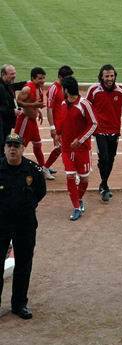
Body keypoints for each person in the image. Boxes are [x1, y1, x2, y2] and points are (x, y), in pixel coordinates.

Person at [0, 133, 46, 319]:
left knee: (24, 264)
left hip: (24, 225)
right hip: (1, 224)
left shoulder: (32, 170)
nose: (12, 148)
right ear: (4, 148)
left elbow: (40, 192)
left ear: (22, 149)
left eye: (16, 145)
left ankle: (19, 304)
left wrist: (26, 207)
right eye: (9, 145)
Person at [86, 64, 122, 202]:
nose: (110, 78)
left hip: (115, 130)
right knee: (104, 159)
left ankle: (103, 184)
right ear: (101, 77)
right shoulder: (93, 90)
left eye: (112, 76)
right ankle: (104, 186)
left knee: (111, 159)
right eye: (107, 76)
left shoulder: (121, 90)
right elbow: (86, 108)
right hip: (99, 130)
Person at [57, 76, 97, 221]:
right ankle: (76, 207)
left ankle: (78, 199)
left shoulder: (84, 104)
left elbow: (93, 124)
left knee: (84, 180)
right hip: (67, 149)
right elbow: (62, 122)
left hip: (82, 149)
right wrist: (57, 134)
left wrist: (80, 140)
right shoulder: (63, 104)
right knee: (70, 176)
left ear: (66, 89)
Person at [42, 65, 74, 180]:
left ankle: (46, 167)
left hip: (66, 124)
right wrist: (52, 128)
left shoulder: (66, 87)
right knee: (61, 148)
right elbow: (49, 109)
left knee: (64, 147)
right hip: (57, 125)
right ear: (60, 77)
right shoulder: (53, 89)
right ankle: (45, 168)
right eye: (67, 78)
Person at [14, 67, 46, 167]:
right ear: (33, 78)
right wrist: (34, 106)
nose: (43, 81)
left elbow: (33, 102)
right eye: (40, 78)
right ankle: (13, 168)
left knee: (38, 145)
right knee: (18, 146)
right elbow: (18, 102)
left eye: (44, 78)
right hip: (25, 121)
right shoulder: (27, 88)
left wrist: (38, 111)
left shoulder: (39, 88)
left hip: (32, 121)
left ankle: (43, 168)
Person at [0, 64, 26, 156]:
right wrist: (12, 111)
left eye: (14, 73)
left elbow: (17, 85)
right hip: (2, 122)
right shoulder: (1, 87)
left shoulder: (7, 84)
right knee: (1, 144)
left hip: (6, 121)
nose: (14, 76)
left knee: (3, 144)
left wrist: (30, 83)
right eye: (11, 74)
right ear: (3, 74)